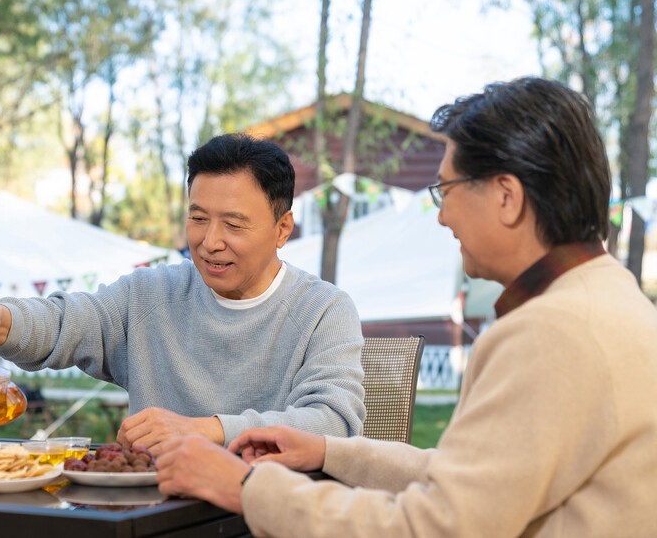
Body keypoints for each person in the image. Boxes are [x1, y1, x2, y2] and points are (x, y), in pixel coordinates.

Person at [154, 78, 657, 537]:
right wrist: (329, 451)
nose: (441, 216)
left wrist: (242, 488)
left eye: (447, 190)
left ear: (507, 197)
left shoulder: (552, 331)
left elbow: (434, 528)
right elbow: (474, 480)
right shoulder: (605, 300)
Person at [0, 134, 365, 452]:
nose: (210, 241)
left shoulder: (323, 310)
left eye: (234, 225)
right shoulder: (151, 295)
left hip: (265, 516)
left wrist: (205, 430)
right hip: (153, 511)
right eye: (198, 218)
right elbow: (67, 322)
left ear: (283, 228)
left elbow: (333, 423)